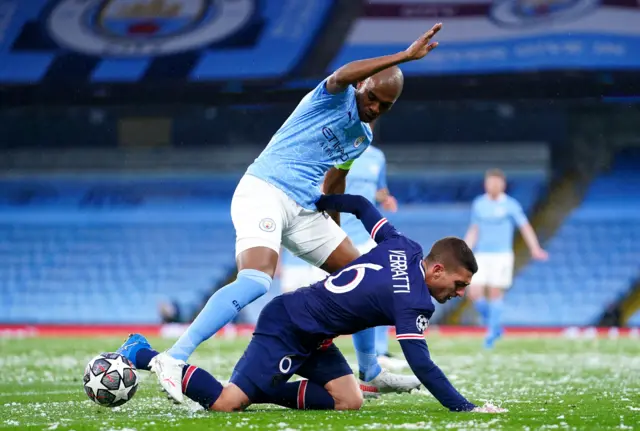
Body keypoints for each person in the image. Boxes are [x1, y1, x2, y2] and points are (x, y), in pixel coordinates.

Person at [150, 23, 446, 401]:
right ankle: (174, 357)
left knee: (365, 278)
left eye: (384, 106)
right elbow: (343, 72)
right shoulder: (333, 97)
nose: (374, 109)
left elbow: (334, 183)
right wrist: (405, 56)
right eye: (372, 98)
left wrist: (334, 231)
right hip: (265, 190)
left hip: (306, 208)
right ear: (363, 85)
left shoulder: (363, 136)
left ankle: (371, 370)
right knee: (257, 280)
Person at [116, 193, 505, 413]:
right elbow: (421, 363)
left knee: (349, 401)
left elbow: (362, 207)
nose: (460, 293)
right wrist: (465, 408)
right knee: (226, 404)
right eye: (459, 283)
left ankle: (264, 387)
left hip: (314, 334)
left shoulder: (404, 245)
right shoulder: (416, 301)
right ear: (437, 270)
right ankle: (144, 353)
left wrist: (322, 201)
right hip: (288, 326)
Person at [280, 143, 407, 371]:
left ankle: (379, 352)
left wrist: (385, 199)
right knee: (317, 297)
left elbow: (379, 190)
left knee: (379, 293)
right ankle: (299, 349)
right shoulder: (331, 149)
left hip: (366, 236)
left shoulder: (378, 156)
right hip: (332, 236)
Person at [463, 169, 548, 348]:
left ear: (502, 184)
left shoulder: (511, 205)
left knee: (495, 292)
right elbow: (474, 229)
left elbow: (524, 226)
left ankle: (491, 335)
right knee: (474, 292)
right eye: (489, 182)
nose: (492, 185)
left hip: (502, 255)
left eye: (496, 182)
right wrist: (464, 250)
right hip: (481, 254)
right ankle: (493, 324)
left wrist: (535, 248)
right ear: (485, 184)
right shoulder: (479, 204)